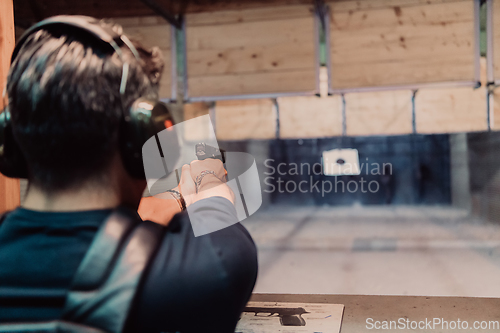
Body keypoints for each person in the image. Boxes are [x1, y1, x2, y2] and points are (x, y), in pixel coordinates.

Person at [0, 18, 258, 333]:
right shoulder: (206, 273)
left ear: (11, 140)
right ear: (140, 139)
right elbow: (222, 238)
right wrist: (208, 181)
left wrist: (179, 195)